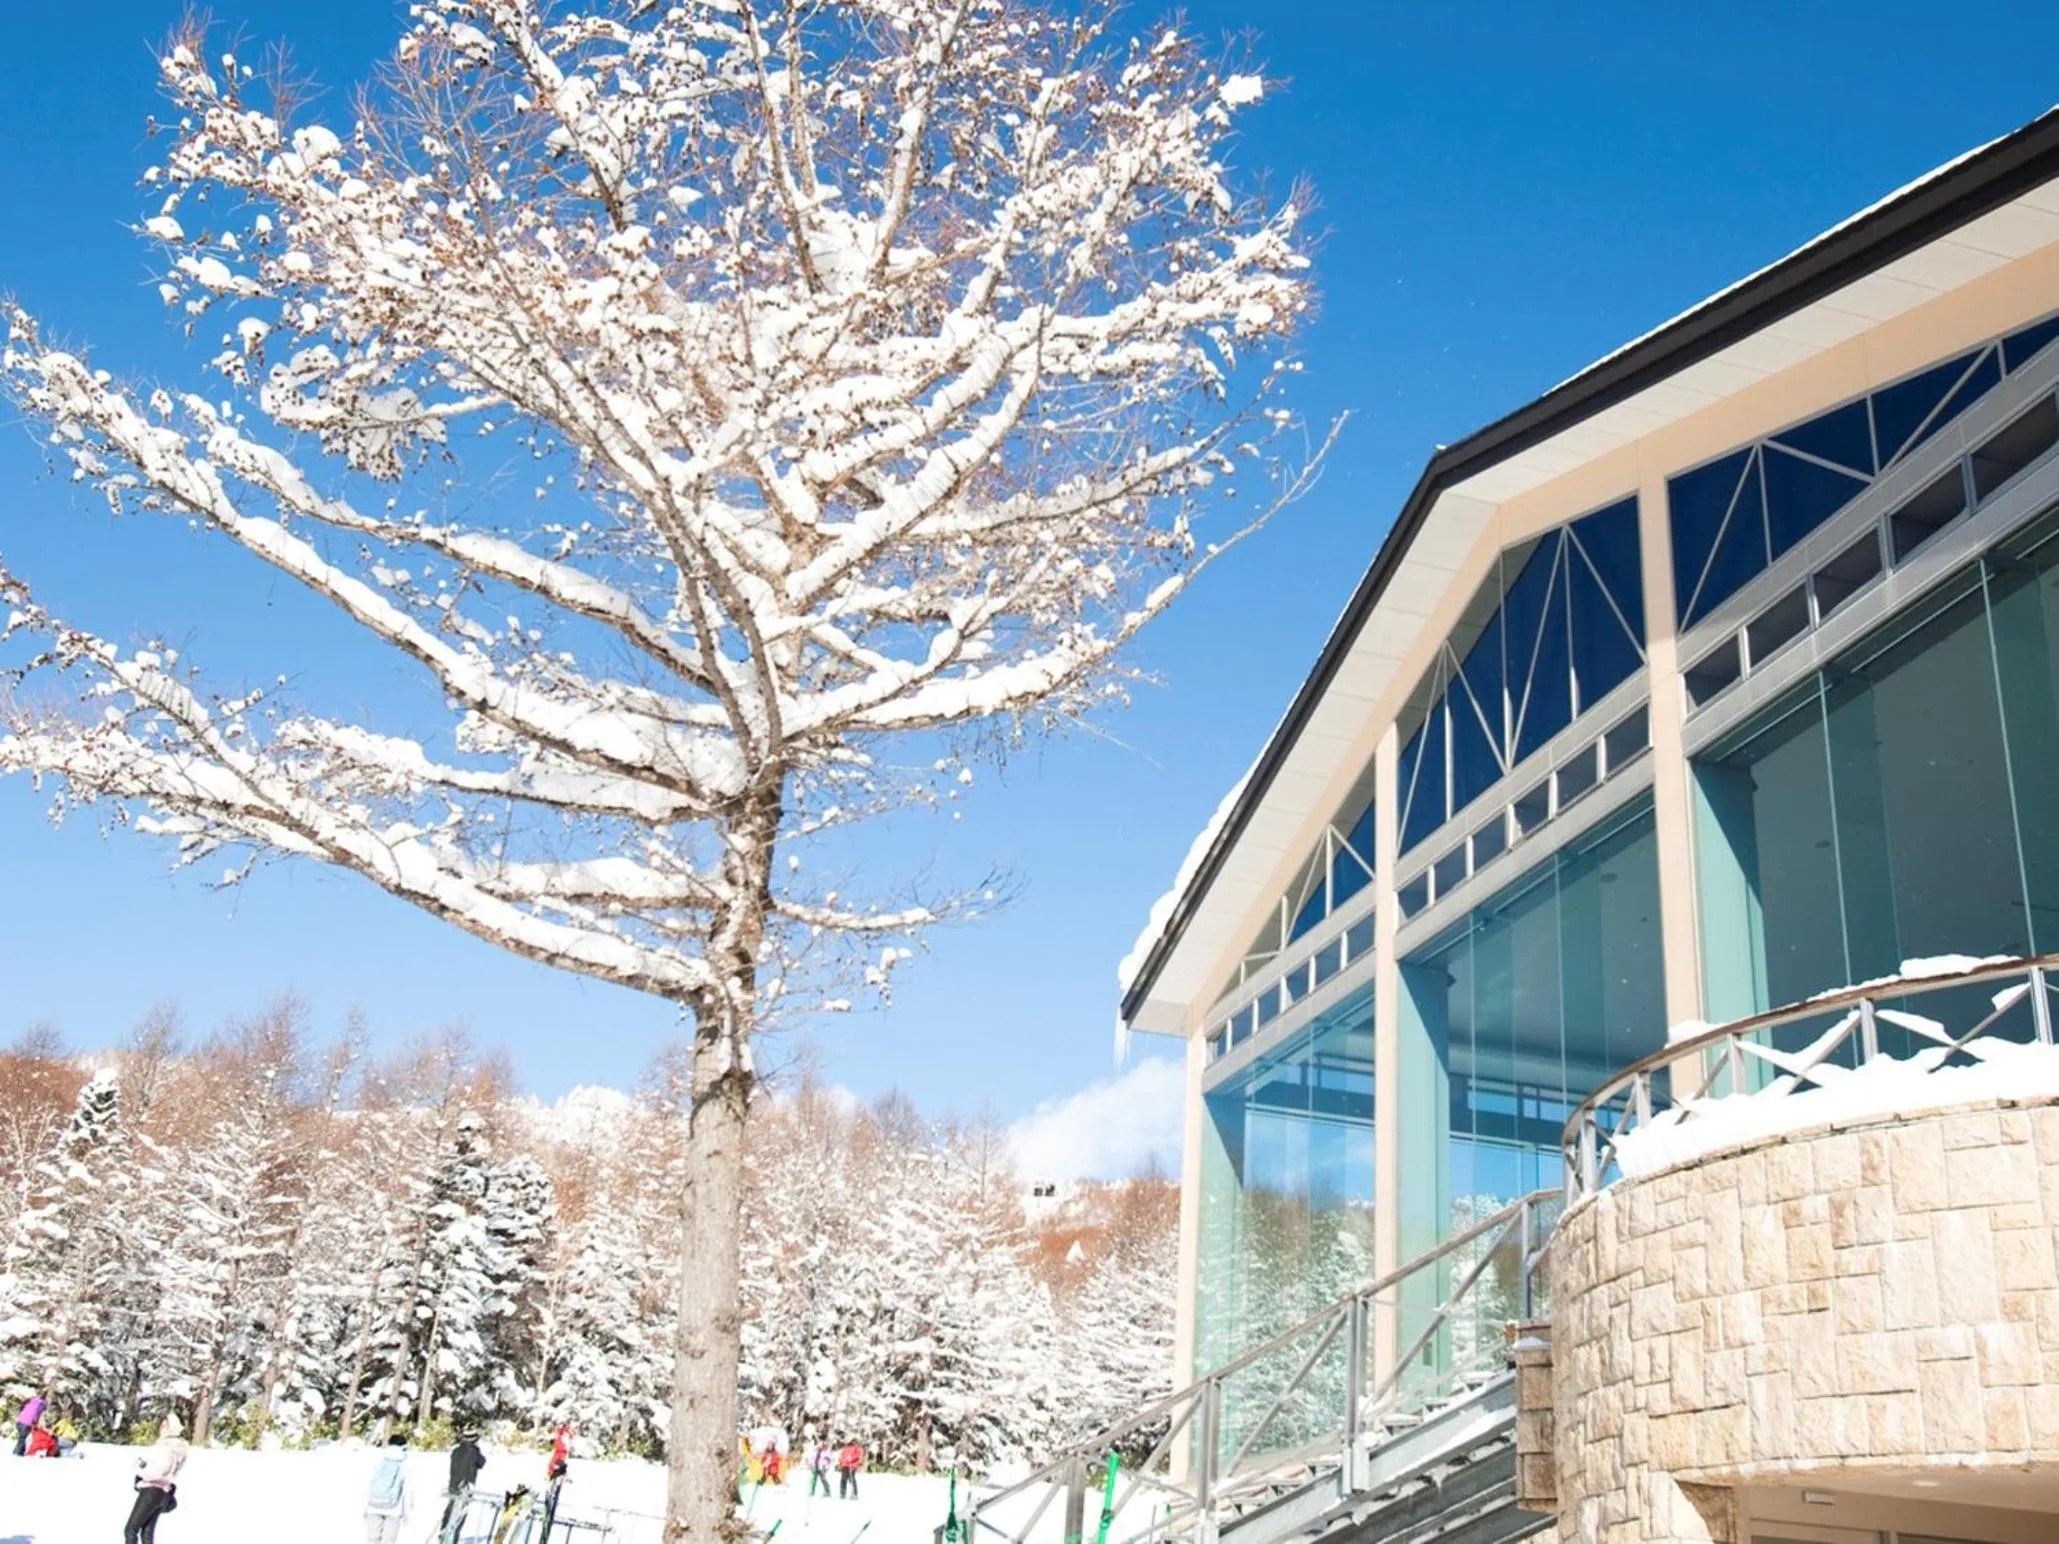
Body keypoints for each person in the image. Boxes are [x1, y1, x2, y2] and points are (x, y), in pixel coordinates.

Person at [124, 1415, 188, 1544]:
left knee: (130, 1529)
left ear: (172, 1428)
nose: (161, 1427)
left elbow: (158, 1471)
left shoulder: (165, 1447)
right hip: (163, 1492)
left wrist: (141, 1472)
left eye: (165, 1425)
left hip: (151, 1491)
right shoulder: (177, 1448)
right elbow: (170, 1472)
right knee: (147, 1533)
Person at [364, 1432, 410, 1544]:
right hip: (394, 1507)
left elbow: (368, 1482)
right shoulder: (404, 1461)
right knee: (389, 1540)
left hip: (373, 1504)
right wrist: (407, 1511)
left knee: (372, 1538)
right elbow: (408, 1489)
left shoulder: (379, 1458)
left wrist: (365, 1506)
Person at [443, 1428, 486, 1540]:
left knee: (449, 1513)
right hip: (466, 1487)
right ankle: (452, 1539)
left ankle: (443, 1535)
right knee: (459, 1517)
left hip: (453, 1485)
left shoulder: (456, 1451)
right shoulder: (474, 1451)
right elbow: (481, 1462)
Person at [14, 1389, 47, 1456]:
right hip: (27, 1423)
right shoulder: (41, 1404)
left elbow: (21, 1408)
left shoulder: (31, 1400)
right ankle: (17, 1454)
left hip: (19, 1421)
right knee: (23, 1438)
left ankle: (19, 1452)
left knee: (22, 1438)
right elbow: (36, 1414)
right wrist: (34, 1422)